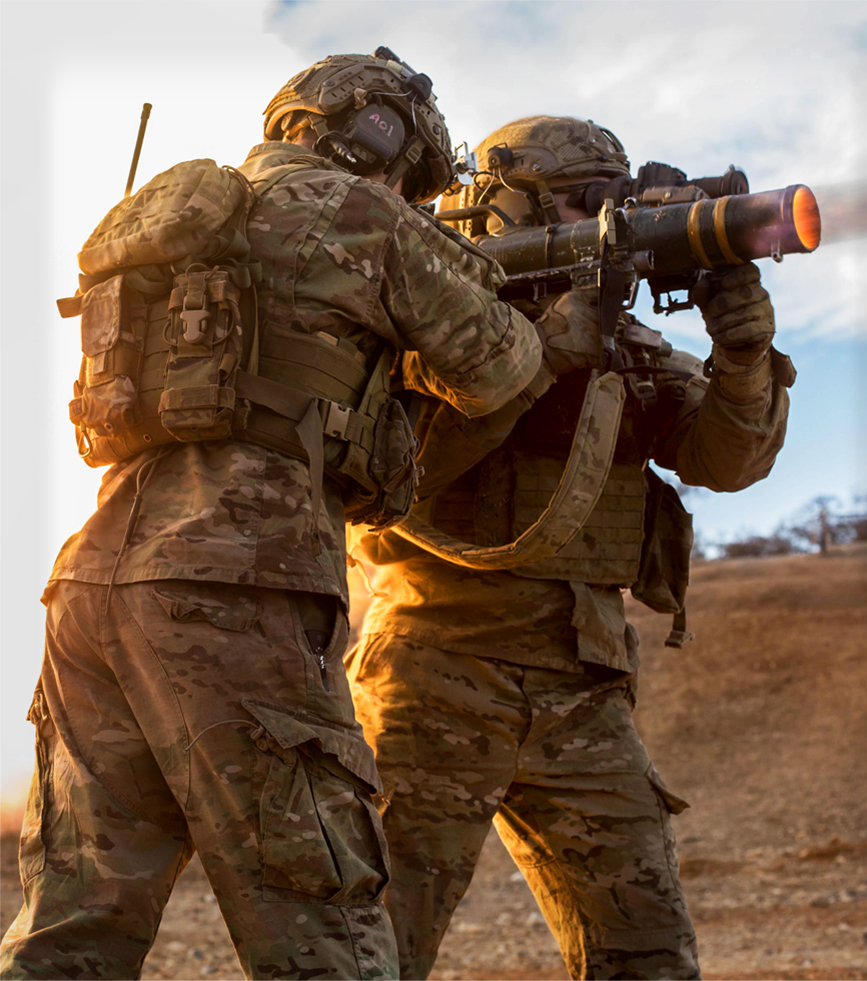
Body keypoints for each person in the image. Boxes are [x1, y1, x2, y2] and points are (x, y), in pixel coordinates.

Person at [0, 68, 605, 980]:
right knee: (320, 913)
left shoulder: (186, 209)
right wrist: (556, 328)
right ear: (382, 140)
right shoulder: (360, 212)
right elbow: (495, 367)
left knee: (74, 921)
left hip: (91, 583)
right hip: (242, 583)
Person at [345, 116, 797, 980]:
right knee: (373, 952)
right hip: (438, 672)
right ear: (505, 207)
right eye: (582, 201)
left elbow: (727, 460)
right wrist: (537, 356)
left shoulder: (626, 347)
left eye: (613, 200)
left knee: (648, 954)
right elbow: (392, 477)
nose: (607, 217)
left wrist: (743, 353)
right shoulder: (430, 325)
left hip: (584, 690)